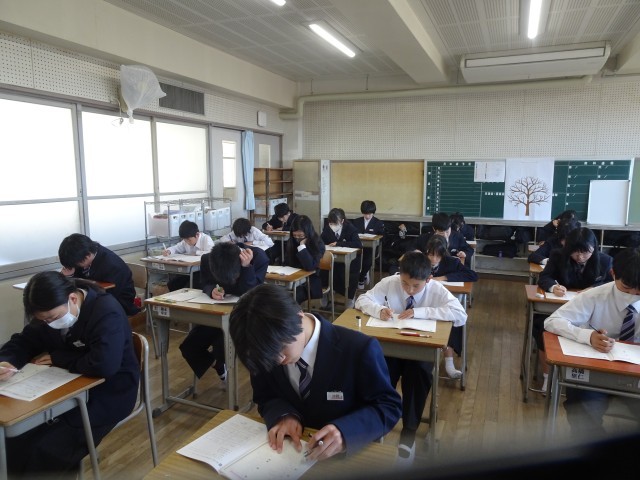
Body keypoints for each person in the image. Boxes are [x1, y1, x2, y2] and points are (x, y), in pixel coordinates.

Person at [228, 283, 402, 462]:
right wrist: (284, 415)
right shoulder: (261, 350)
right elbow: (265, 396)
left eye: (281, 349)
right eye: (270, 357)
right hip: (288, 456)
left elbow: (388, 406)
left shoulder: (358, 349)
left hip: (343, 459)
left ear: (298, 317)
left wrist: (346, 432)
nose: (278, 360)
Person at [0, 271, 139, 477]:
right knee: (13, 440)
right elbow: (25, 340)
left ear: (73, 298)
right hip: (60, 387)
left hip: (108, 394)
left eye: (52, 318)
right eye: (43, 320)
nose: (49, 323)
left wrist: (59, 358)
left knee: (44, 448)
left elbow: (104, 365)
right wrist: (6, 360)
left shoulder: (105, 311)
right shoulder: (49, 312)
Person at [355, 252, 467, 466]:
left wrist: (420, 312)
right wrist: (379, 310)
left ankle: (409, 432)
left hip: (420, 348)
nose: (409, 289)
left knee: (418, 375)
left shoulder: (436, 289)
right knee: (379, 374)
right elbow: (362, 299)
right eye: (405, 283)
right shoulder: (390, 282)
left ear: (428, 279)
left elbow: (460, 314)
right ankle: (379, 423)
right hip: (391, 346)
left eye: (416, 286)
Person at [545, 247, 640, 438]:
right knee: (583, 412)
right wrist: (587, 336)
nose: (634, 294)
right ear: (613, 273)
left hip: (636, 376)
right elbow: (552, 321)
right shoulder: (596, 296)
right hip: (597, 372)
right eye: (627, 288)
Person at [535, 227, 614, 392]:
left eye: (585, 252)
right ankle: (548, 376)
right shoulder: (557, 256)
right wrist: (553, 286)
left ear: (594, 248)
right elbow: (545, 277)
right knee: (541, 326)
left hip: (591, 313)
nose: (580, 257)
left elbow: (610, 284)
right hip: (559, 307)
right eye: (575, 252)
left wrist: (594, 289)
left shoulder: (605, 261)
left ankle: (582, 379)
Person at [178, 241, 269, 383]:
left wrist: (246, 268)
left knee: (222, 347)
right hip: (217, 314)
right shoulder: (208, 259)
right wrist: (212, 290)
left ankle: (224, 366)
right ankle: (218, 365)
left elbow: (252, 292)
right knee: (189, 347)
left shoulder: (258, 257)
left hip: (244, 317)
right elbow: (205, 283)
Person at [422, 234, 478, 379]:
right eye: (431, 254)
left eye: (438, 255)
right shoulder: (421, 261)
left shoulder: (452, 262)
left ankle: (449, 363)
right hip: (423, 302)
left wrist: (443, 278)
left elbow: (472, 275)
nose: (434, 259)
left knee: (453, 319)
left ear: (443, 253)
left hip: (444, 302)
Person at [58, 233, 139, 316]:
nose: (76, 266)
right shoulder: (83, 256)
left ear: (88, 256)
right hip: (97, 297)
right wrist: (69, 276)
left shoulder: (113, 265)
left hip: (119, 303)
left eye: (76, 264)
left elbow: (110, 295)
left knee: (76, 313)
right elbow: (79, 282)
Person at [320, 208, 363, 309]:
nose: (333, 226)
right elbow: (320, 241)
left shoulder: (350, 228)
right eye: (331, 223)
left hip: (350, 261)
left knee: (349, 275)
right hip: (333, 260)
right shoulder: (327, 229)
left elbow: (358, 244)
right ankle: (325, 293)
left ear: (342, 221)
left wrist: (339, 243)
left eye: (335, 223)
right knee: (322, 270)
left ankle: (350, 297)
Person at [162, 220, 215, 291]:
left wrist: (197, 252)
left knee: (194, 284)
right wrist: (169, 251)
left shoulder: (206, 239)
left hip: (203, 271)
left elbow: (212, 253)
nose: (187, 242)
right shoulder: (186, 241)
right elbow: (176, 248)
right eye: (185, 240)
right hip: (189, 270)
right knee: (173, 284)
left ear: (197, 235)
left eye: (189, 240)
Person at [285, 214, 326, 305]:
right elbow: (287, 262)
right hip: (292, 279)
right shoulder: (291, 241)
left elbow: (310, 267)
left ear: (308, 232)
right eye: (295, 235)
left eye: (300, 235)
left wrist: (302, 247)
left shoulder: (318, 243)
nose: (297, 238)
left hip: (309, 282)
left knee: (290, 299)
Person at [352, 200, 385, 290]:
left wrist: (375, 237)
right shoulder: (356, 221)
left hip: (372, 249)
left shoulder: (378, 223)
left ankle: (361, 277)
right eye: (365, 214)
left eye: (369, 214)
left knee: (368, 259)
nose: (367, 216)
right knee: (355, 258)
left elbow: (382, 237)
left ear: (373, 212)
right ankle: (361, 274)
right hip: (359, 248)